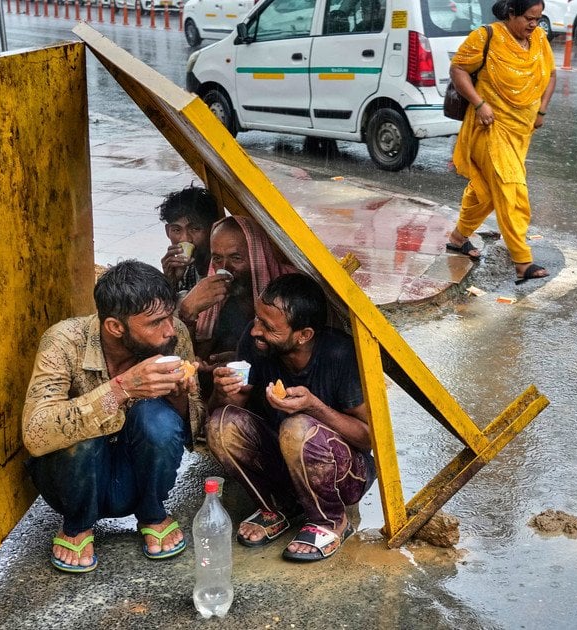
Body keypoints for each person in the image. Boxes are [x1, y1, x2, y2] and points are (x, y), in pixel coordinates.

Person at [21, 260, 204, 573]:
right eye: (156, 322)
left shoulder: (174, 336)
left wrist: (179, 396)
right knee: (81, 430)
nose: (169, 329)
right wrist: (121, 389)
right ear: (116, 327)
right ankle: (77, 525)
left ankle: (152, 512)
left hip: (137, 477)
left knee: (156, 420)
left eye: (170, 316)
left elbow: (192, 431)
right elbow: (36, 434)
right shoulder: (64, 341)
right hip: (74, 479)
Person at [206, 273, 374, 563]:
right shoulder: (254, 342)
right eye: (258, 319)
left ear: (304, 335)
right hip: (285, 463)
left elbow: (368, 437)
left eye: (268, 327)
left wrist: (313, 407)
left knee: (297, 427)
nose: (256, 330)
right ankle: (276, 507)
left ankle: (330, 520)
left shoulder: (340, 354)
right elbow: (237, 409)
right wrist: (225, 392)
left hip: (345, 473)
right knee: (221, 424)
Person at [445, 0, 556, 286]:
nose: (534, 25)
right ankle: (522, 262)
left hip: (521, 131)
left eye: (538, 18)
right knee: (511, 187)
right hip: (489, 128)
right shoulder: (486, 37)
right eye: (529, 18)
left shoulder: (539, 39)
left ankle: (458, 238)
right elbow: (458, 69)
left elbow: (551, 75)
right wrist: (479, 103)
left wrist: (541, 109)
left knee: (486, 192)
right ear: (510, 13)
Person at [189, 215, 296, 370]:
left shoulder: (291, 289)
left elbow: (301, 356)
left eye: (236, 258)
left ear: (256, 256)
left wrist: (246, 361)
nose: (225, 268)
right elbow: (201, 351)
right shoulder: (215, 295)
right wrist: (188, 312)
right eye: (217, 258)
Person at [158, 184, 220, 295]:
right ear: (167, 231)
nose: (186, 239)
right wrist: (170, 281)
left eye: (195, 229)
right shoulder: (182, 269)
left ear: (212, 229)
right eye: (176, 230)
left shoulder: (222, 268)